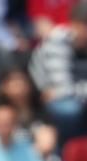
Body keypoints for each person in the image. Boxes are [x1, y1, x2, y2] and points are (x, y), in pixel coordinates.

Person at [30, 1, 87, 144]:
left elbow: (63, 90)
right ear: (74, 24)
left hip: (76, 97)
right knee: (69, 109)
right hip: (47, 104)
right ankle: (65, 152)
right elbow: (62, 89)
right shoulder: (58, 41)